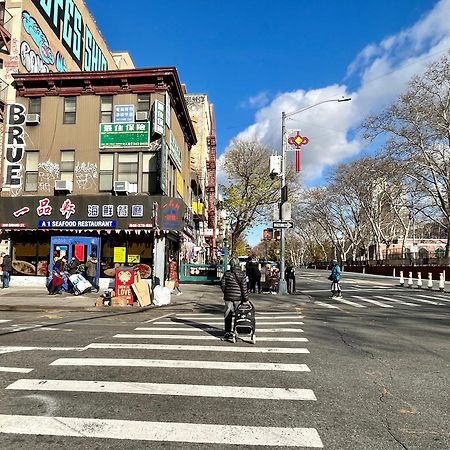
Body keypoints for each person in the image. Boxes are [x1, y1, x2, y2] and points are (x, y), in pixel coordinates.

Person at [220, 256, 249, 342]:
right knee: (238, 315)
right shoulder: (242, 274)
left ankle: (227, 331)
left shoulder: (227, 273)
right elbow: (244, 288)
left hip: (228, 298)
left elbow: (222, 284)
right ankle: (236, 331)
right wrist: (246, 299)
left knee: (228, 315)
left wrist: (226, 292)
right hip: (238, 298)